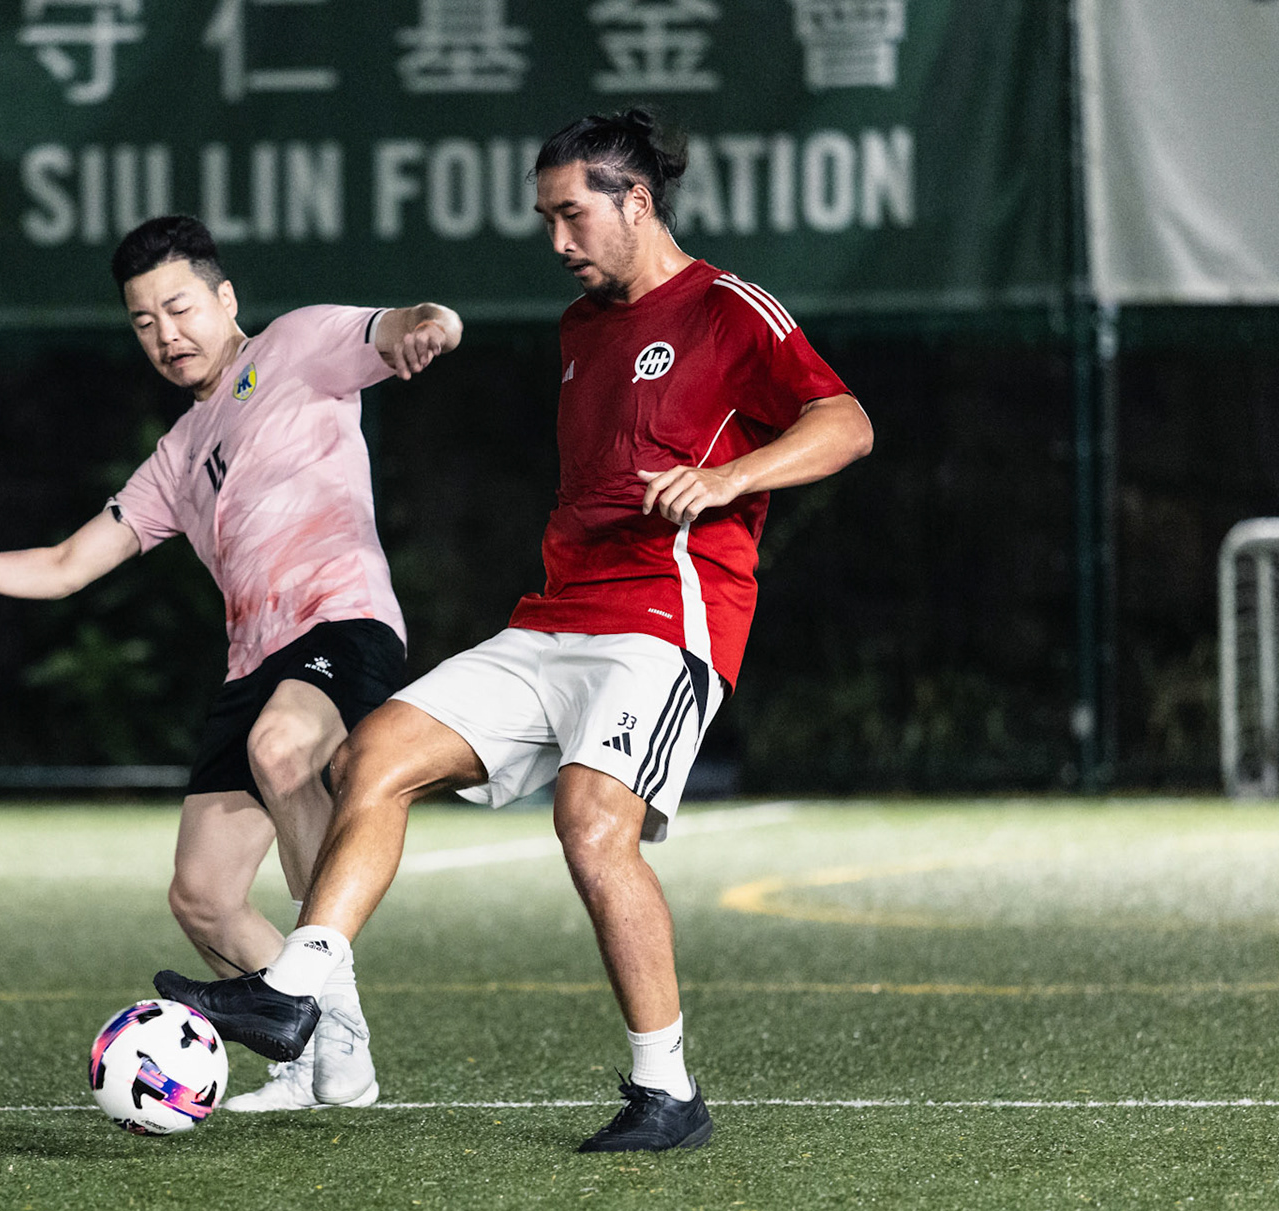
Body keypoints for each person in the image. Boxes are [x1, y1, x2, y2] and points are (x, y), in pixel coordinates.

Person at [154, 109, 873, 1152]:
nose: (557, 241)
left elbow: (844, 420)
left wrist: (729, 477)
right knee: (374, 755)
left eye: (572, 215)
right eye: (545, 219)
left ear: (637, 200)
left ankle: (666, 1089)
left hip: (664, 623)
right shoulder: (582, 329)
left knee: (589, 821)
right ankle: (296, 989)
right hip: (553, 622)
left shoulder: (726, 308)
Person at [0, 214, 462, 1113]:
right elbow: (67, 565)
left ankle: (324, 1004)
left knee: (284, 750)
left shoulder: (300, 344)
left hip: (341, 623)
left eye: (180, 307)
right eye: (144, 321)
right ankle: (321, 1062)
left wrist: (432, 325)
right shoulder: (176, 457)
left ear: (224, 298)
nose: (167, 334)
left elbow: (402, 323)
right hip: (254, 661)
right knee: (201, 898)